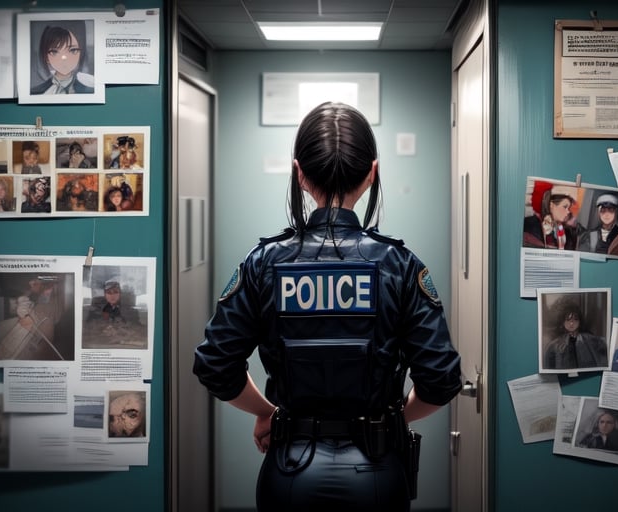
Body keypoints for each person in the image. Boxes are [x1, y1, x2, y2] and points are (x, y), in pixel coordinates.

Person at [193, 101, 462, 511]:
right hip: (377, 474)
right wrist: (391, 422)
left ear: (299, 174)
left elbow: (215, 365)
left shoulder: (264, 262)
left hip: (288, 474)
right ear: (372, 174)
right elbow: (441, 380)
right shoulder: (400, 266)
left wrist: (268, 413)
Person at [30, 21, 94, 95]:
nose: (64, 57)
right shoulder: (36, 92)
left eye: (72, 50)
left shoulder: (90, 90)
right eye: (54, 52)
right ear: (46, 57)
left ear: (80, 53)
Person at [543, 300, 607, 370]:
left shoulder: (591, 340)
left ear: (580, 321)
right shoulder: (553, 346)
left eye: (575, 319)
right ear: (562, 322)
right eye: (568, 320)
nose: (571, 323)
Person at [523, 181, 580, 250]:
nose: (568, 212)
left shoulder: (566, 233)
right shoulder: (530, 225)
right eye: (565, 207)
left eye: (568, 208)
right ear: (551, 205)